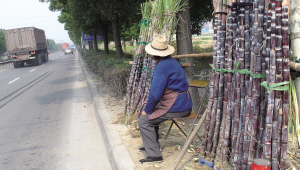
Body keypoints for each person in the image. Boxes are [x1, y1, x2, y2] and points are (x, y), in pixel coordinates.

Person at [138, 35, 193, 163]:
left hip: (178, 107)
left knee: (144, 120)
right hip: (184, 104)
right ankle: (151, 144)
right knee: (147, 110)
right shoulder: (171, 62)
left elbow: (155, 95)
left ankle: (154, 155)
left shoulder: (162, 67)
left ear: (153, 54)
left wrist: (147, 110)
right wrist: (148, 107)